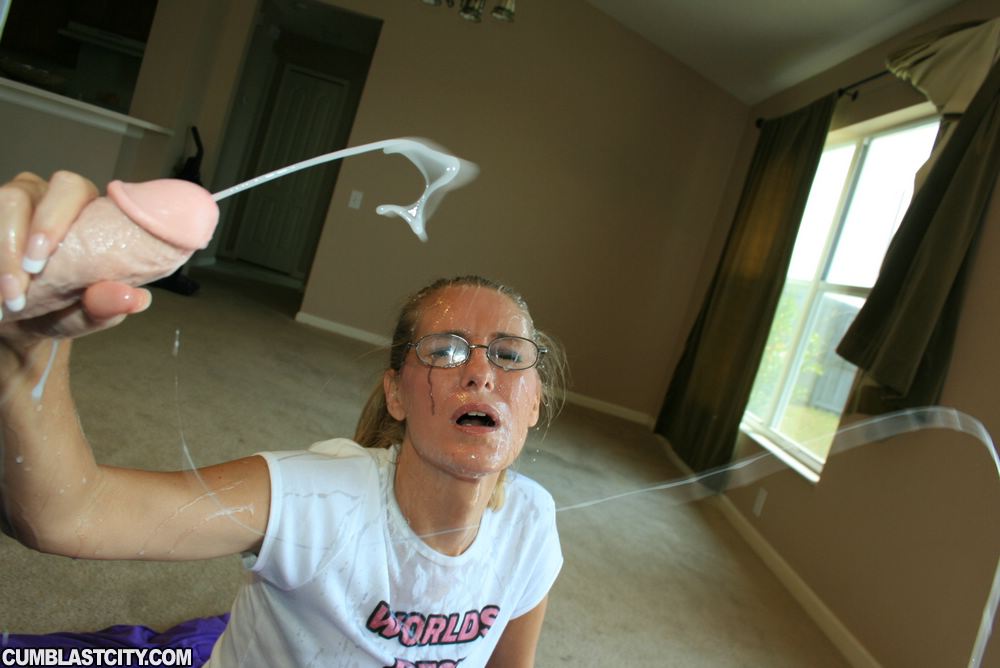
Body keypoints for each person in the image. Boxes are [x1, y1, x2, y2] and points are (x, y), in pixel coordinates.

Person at [0, 171, 567, 667]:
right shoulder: (318, 502)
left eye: (509, 354)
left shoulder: (532, 523)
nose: (481, 373)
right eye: (445, 350)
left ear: (535, 401)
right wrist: (23, 355)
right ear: (396, 394)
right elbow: (68, 514)